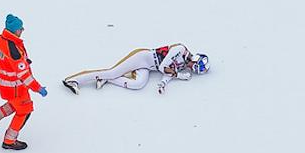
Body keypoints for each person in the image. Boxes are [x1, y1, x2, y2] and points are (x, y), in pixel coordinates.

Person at [0, 14, 48, 150]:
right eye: (20, 28)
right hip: (15, 87)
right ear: (14, 30)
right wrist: (39, 88)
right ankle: (9, 141)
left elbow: (1, 60)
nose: (22, 30)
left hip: (3, 83)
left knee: (16, 104)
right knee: (25, 111)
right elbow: (24, 75)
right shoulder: (14, 50)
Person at [61, 44, 210, 95]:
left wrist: (163, 84)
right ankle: (72, 80)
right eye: (195, 67)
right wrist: (177, 74)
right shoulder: (180, 49)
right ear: (195, 59)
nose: (192, 69)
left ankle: (105, 79)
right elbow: (165, 66)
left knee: (138, 84)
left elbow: (167, 73)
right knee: (112, 71)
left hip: (148, 67)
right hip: (143, 57)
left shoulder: (183, 64)